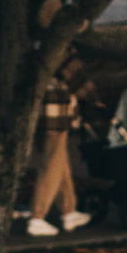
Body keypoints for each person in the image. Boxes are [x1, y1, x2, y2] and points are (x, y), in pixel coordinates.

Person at [26, 15, 94, 238]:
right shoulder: (60, 47)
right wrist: (93, 98)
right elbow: (77, 77)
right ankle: (37, 216)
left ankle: (69, 210)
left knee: (58, 160)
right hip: (55, 112)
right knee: (51, 162)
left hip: (41, 111)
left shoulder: (36, 45)